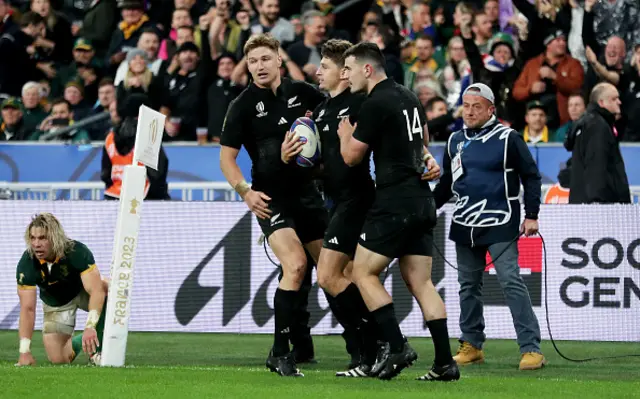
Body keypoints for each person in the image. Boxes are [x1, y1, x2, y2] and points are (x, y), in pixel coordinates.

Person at [338, 42, 459, 381]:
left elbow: (352, 157)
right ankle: (445, 363)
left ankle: (396, 345)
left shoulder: (374, 103)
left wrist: (345, 135)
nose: (345, 74)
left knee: (360, 273)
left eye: (349, 67)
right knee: (422, 282)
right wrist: (428, 160)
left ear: (367, 69)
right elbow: (421, 143)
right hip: (422, 199)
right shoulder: (409, 96)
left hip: (395, 200)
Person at [220, 33, 327, 377]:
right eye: (252, 61)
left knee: (329, 273)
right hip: (271, 200)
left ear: (279, 60)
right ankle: (280, 352)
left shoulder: (306, 93)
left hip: (310, 195)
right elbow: (227, 159)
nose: (259, 66)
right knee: (295, 265)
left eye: (265, 58)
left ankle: (347, 346)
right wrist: (246, 192)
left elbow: (334, 121)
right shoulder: (241, 105)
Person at [281, 39, 378, 377]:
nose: (317, 71)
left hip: (359, 199)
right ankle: (367, 346)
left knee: (331, 275)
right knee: (346, 275)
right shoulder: (322, 110)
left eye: (325, 66)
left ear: (343, 72)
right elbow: (322, 166)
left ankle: (373, 342)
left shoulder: (361, 103)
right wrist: (291, 159)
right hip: (333, 201)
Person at [433, 83, 546, 371]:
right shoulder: (454, 140)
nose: (469, 111)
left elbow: (531, 177)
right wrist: (427, 208)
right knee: (467, 285)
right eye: (466, 105)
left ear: (491, 109)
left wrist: (531, 214)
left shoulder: (509, 138)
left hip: (500, 219)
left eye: (477, 106)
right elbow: (447, 183)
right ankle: (472, 344)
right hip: (463, 222)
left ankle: (531, 348)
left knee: (509, 279)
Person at [15, 213, 108, 366]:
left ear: (55, 237)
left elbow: (96, 291)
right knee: (59, 360)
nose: (36, 244)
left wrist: (90, 326)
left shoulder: (77, 251)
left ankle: (97, 352)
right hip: (56, 303)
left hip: (81, 291)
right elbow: (27, 309)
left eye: (43, 238)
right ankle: (82, 339)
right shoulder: (27, 264)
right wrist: (24, 351)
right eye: (33, 238)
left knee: (109, 291)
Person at [566, 83, 630, 204]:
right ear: (601, 103)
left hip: (587, 202)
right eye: (614, 99)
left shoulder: (591, 123)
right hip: (599, 207)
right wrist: (597, 201)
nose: (619, 102)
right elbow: (596, 164)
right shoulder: (598, 126)